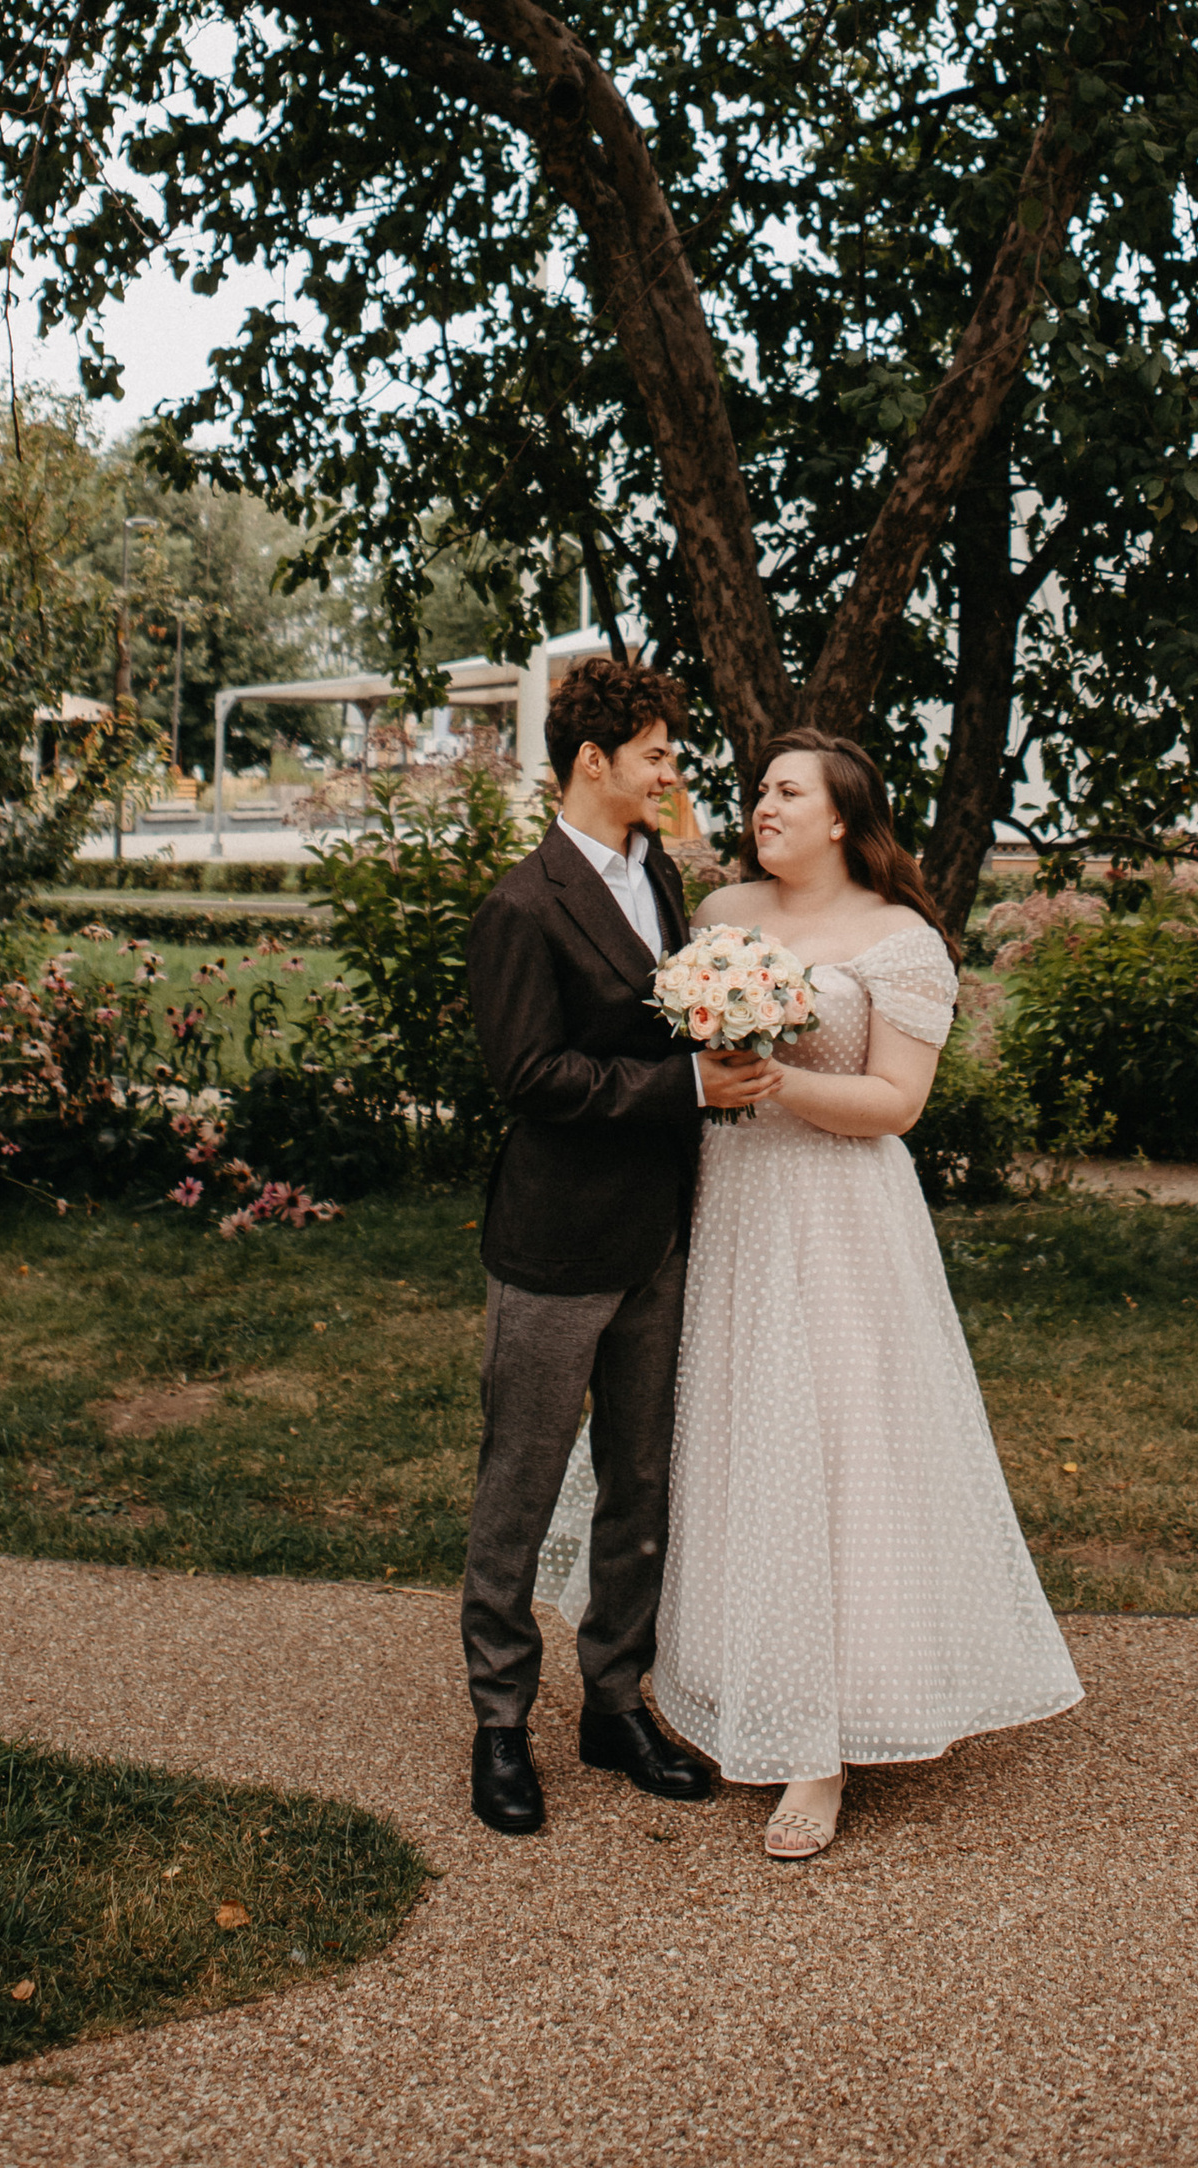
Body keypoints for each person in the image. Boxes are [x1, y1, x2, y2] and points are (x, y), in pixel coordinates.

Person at [556, 728, 1082, 1859]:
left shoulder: (902, 941)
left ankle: (819, 1754)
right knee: (732, 1444)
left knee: (836, 1453)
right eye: (757, 790)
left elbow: (895, 1104)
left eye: (787, 791)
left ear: (842, 817)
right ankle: (738, 1677)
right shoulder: (714, 914)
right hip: (729, 1210)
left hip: (843, 1222)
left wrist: (775, 1078)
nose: (761, 805)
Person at [457, 652, 770, 1836]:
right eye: (655, 754)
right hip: (551, 1244)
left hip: (663, 1236)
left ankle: (612, 1700)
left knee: (640, 1482)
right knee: (521, 1485)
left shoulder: (666, 885)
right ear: (594, 761)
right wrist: (686, 1081)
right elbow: (530, 1077)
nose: (670, 771)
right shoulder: (521, 905)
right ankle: (498, 1723)